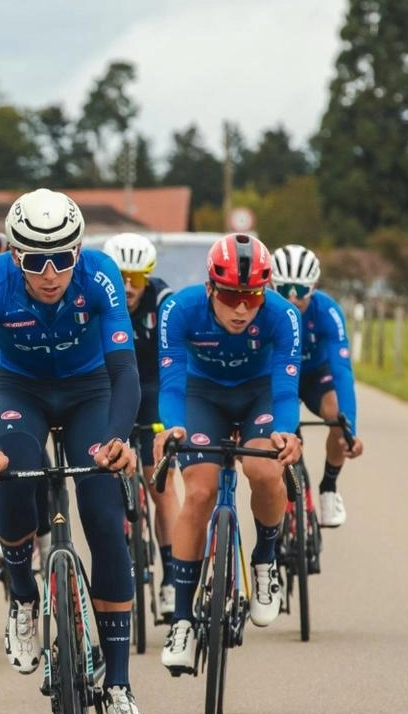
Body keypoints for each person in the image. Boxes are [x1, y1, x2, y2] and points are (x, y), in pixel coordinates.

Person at [0, 189, 147, 714]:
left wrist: (118, 439)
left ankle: (117, 689)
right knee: (13, 475)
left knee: (103, 515)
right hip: (20, 390)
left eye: (63, 258)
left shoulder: (102, 276)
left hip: (91, 390)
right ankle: (22, 592)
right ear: (15, 255)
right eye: (36, 260)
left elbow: (125, 370)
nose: (50, 273)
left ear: (78, 251)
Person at [154, 234, 303, 673]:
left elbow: (286, 388)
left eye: (252, 296)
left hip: (259, 397)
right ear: (210, 288)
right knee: (198, 493)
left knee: (263, 468)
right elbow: (172, 383)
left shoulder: (282, 315)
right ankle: (181, 619)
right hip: (201, 397)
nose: (241, 308)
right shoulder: (178, 310)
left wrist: (285, 433)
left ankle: (265, 559)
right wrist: (172, 426)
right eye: (231, 296)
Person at [101, 232, 181, 619]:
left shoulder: (163, 303)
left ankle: (171, 578)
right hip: (111, 390)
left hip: (152, 390)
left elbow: (173, 362)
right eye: (121, 276)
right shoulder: (98, 299)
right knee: (108, 483)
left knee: (160, 483)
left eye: (137, 278)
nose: (129, 286)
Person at [270, 244, 363, 526]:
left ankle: (329, 488)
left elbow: (342, 371)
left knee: (336, 414)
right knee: (278, 435)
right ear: (272, 285)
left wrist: (351, 430)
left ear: (314, 285)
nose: (294, 297)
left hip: (313, 374)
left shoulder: (327, 311)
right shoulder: (264, 310)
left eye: (301, 289)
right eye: (285, 289)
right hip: (275, 376)